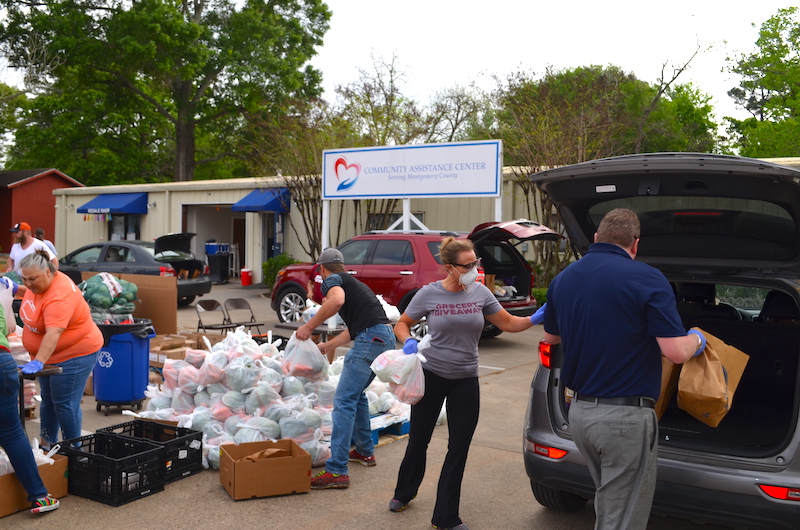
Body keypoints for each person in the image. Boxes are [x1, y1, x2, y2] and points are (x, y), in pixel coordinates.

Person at [541, 208, 705, 530]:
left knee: (610, 500)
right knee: (622, 518)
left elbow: (551, 338)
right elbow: (674, 352)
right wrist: (697, 338)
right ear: (635, 245)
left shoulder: (563, 279)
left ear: (596, 238)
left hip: (580, 414)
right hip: (624, 422)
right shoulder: (647, 278)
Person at [390, 236, 542, 530]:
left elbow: (508, 323)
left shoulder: (481, 293)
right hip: (431, 376)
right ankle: (404, 491)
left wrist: (537, 317)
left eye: (477, 262)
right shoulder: (429, 294)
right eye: (468, 264)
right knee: (419, 440)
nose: (475, 268)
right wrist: (407, 340)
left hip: (465, 380)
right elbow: (402, 322)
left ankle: (445, 517)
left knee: (458, 447)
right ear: (449, 267)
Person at [295, 247, 394, 489]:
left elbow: (336, 301)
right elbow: (357, 328)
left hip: (371, 339)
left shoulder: (333, 281)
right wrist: (328, 344)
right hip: (383, 337)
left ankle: (337, 470)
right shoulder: (354, 283)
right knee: (356, 395)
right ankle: (364, 451)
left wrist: (309, 326)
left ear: (322, 269)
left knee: (344, 401)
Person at [16, 251, 103, 449]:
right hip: (50, 354)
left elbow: (53, 333)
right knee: (48, 400)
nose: (28, 283)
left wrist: (39, 360)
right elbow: (31, 296)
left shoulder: (59, 296)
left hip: (75, 354)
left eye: (32, 279)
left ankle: (75, 449)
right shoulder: (39, 284)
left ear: (48, 272)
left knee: (65, 404)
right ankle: (48, 444)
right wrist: (16, 288)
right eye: (24, 279)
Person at [0, 288, 60, 513]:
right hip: (3, 363)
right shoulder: (0, 288)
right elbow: (10, 328)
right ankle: (39, 496)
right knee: (11, 433)